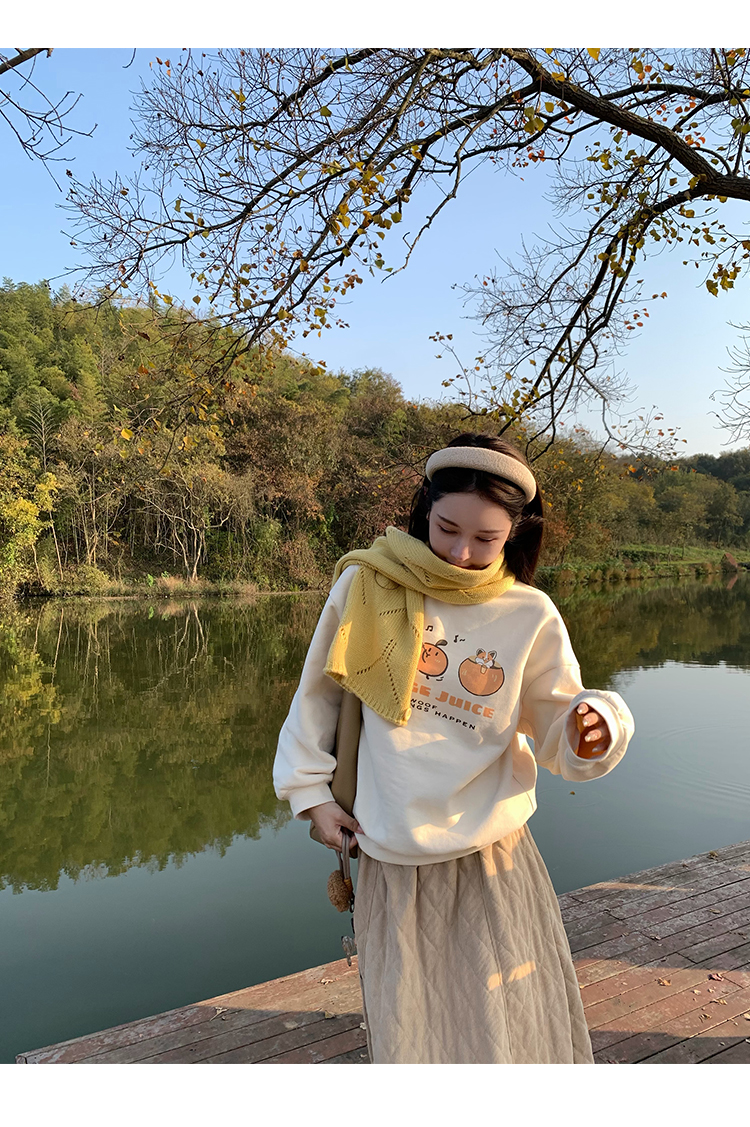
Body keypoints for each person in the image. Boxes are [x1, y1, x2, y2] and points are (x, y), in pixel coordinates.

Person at [273, 433, 634, 1064]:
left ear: (514, 534)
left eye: (485, 539)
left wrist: (596, 722)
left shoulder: (529, 613)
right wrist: (311, 795)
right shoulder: (367, 583)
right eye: (447, 529)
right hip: (390, 848)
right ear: (425, 511)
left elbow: (558, 723)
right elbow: (319, 696)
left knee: (507, 1020)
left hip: (492, 853)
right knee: (411, 1024)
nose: (461, 552)